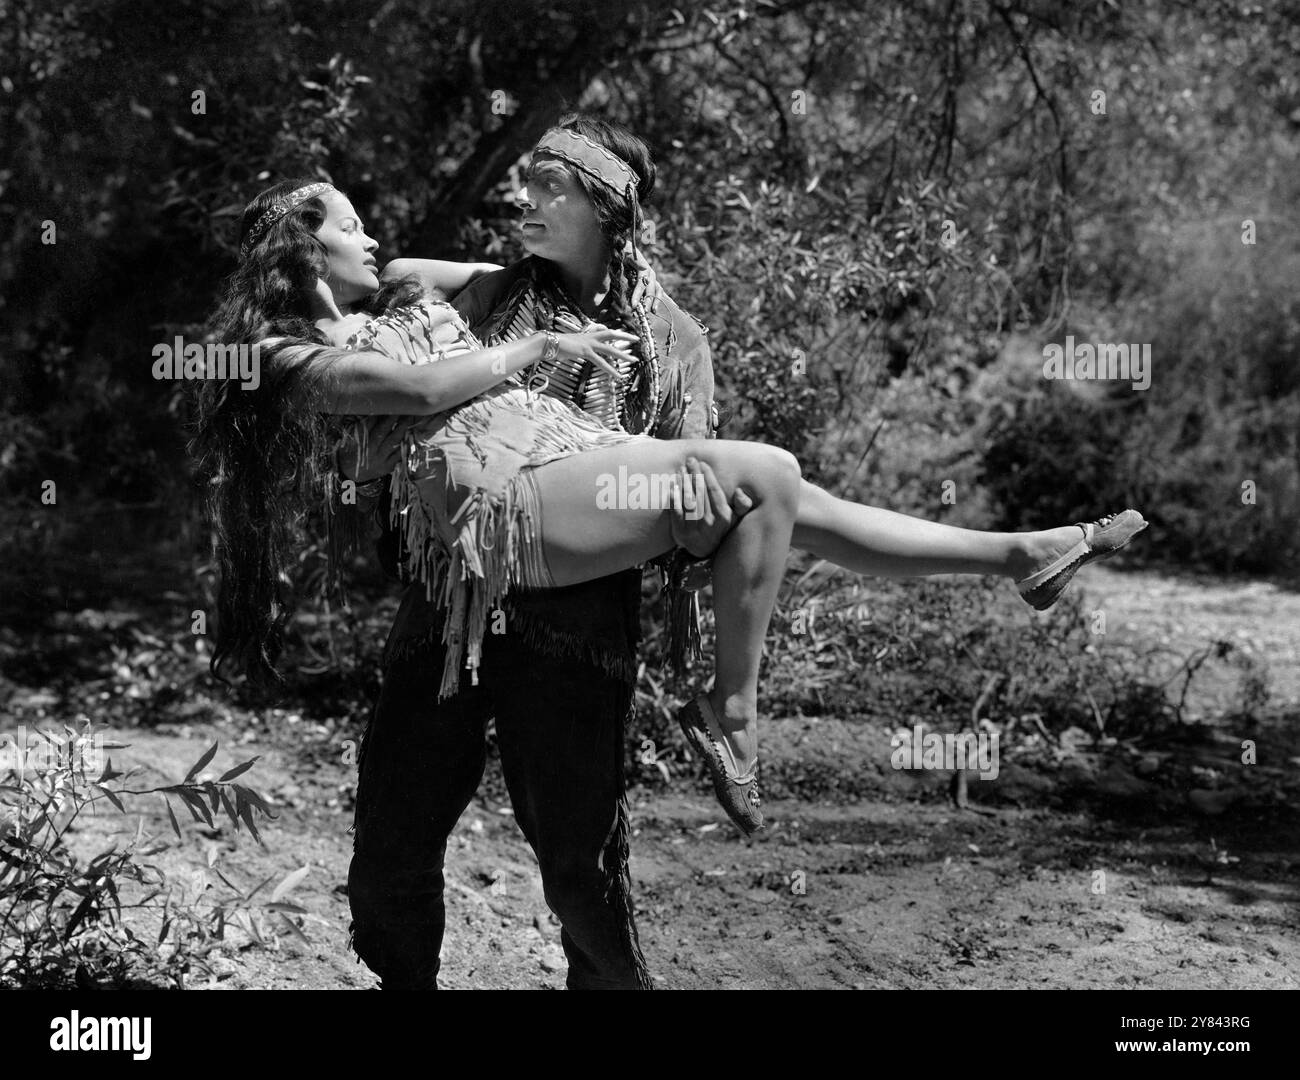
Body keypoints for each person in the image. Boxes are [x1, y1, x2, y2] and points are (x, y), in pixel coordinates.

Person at [196, 120, 1145, 986]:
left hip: (575, 608)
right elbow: (378, 381)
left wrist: (689, 531)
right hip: (450, 599)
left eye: (545, 188)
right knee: (395, 838)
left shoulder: (674, 347)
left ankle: (1013, 554)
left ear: (608, 208)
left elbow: (710, 537)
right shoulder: (478, 291)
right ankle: (743, 705)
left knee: (580, 864)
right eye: (521, 185)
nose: (520, 203)